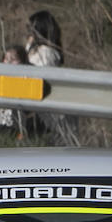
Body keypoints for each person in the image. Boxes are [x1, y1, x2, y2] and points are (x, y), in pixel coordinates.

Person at [25, 9, 79, 145]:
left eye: (31, 29)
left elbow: (37, 80)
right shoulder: (39, 50)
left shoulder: (46, 53)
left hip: (47, 115)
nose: (28, 34)